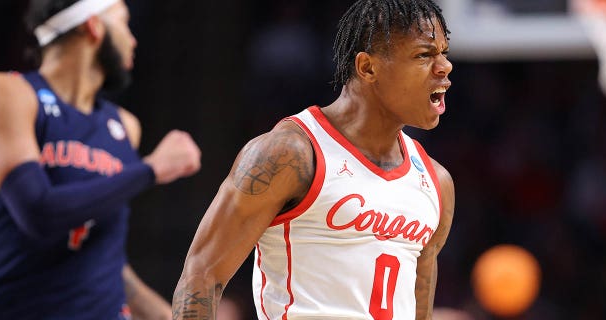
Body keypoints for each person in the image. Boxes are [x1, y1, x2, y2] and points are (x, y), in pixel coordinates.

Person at [173, 0, 454, 319]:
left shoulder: (436, 181)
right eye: (424, 55)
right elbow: (201, 276)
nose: (444, 66)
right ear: (368, 68)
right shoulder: (290, 153)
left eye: (444, 53)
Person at [0, 0, 202, 319]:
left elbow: (106, 258)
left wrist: (166, 316)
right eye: (124, 23)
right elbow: (37, 212)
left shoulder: (125, 127)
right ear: (94, 25)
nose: (133, 39)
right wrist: (152, 169)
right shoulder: (8, 93)